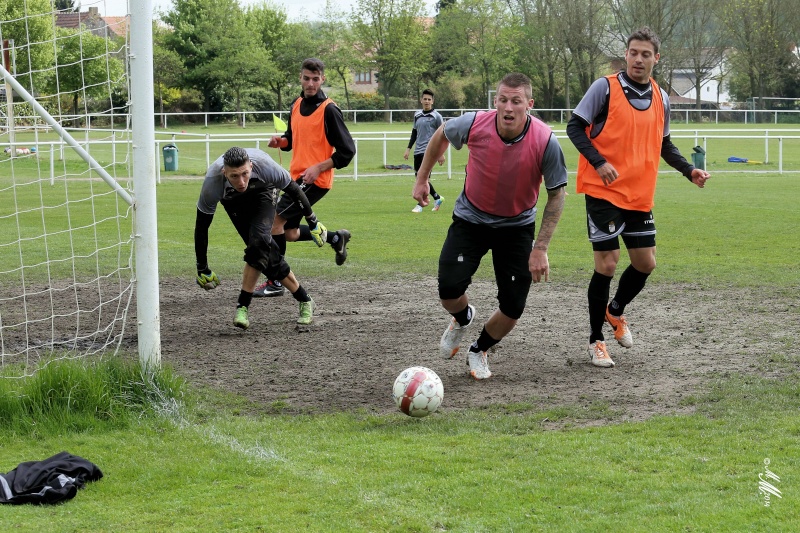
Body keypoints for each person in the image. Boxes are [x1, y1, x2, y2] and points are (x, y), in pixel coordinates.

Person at [566, 27, 711, 368]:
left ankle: (614, 311)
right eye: (634, 52)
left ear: (656, 59)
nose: (639, 59)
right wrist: (599, 162)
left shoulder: (661, 97)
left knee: (646, 263)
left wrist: (689, 170)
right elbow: (574, 126)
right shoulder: (605, 87)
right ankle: (596, 340)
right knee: (608, 263)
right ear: (626, 54)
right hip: (603, 191)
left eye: (646, 54)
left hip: (639, 194)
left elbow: (665, 144)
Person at [413, 73, 567, 380]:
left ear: (529, 104)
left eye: (516, 101)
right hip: (471, 219)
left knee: (513, 306)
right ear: (495, 101)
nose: (508, 107)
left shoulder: (546, 140)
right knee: (448, 290)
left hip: (517, 226)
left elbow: (557, 194)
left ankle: (479, 348)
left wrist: (541, 248)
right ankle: (462, 317)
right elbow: (442, 133)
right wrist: (422, 178)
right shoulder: (474, 124)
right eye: (502, 100)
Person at [194, 147, 328, 329]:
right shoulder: (213, 182)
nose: (241, 182)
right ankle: (305, 299)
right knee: (261, 252)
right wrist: (202, 267)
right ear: (224, 172)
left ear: (251, 165)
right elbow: (202, 226)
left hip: (263, 193)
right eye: (234, 176)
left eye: (245, 174)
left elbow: (295, 190)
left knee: (259, 243)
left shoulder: (266, 167)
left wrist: (313, 221)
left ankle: (242, 306)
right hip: (233, 201)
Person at [256, 57, 356, 298]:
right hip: (295, 178)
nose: (310, 83)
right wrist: (281, 141)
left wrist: (319, 168)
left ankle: (276, 281)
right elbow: (292, 139)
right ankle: (335, 238)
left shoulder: (329, 110)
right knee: (288, 232)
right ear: (300, 78)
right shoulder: (296, 104)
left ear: (323, 79)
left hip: (314, 181)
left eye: (315, 79)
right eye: (306, 78)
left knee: (273, 224)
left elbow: (347, 151)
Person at [404, 89, 446, 213]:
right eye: (425, 99)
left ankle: (420, 205)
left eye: (429, 99)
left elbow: (442, 134)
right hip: (418, 151)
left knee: (423, 179)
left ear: (432, 101)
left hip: (430, 152)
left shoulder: (437, 116)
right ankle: (437, 198)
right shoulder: (417, 115)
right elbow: (414, 133)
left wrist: (440, 153)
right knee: (419, 177)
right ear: (421, 100)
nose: (427, 101)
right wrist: (408, 148)